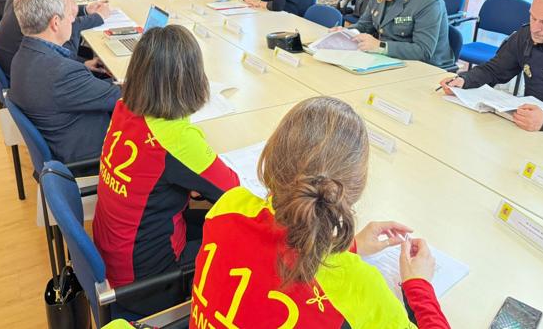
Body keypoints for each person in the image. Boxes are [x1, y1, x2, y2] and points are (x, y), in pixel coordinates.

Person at [189, 97, 450, 328]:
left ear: (271, 155)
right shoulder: (356, 285)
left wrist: (351, 246)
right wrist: (419, 287)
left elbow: (276, 256)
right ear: (355, 187)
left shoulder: (229, 206)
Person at [93, 25, 239, 316]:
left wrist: (189, 179)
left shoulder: (124, 107)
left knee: (208, 216)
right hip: (147, 282)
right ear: (190, 80)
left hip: (111, 254)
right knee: (241, 241)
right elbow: (234, 192)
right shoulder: (175, 140)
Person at [440, 0, 543, 134]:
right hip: (529, 125)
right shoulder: (526, 36)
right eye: (533, 17)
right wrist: (464, 80)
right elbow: (495, 69)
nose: (535, 28)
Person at [8, 0, 120, 164]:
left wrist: (83, 67)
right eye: (70, 14)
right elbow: (118, 97)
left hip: (63, 134)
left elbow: (58, 84)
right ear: (55, 23)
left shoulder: (24, 54)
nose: (73, 19)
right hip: (91, 154)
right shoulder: (61, 73)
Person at [0, 0, 107, 77]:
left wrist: (84, 10)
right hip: (27, 74)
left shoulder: (25, 3)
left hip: (22, 66)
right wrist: (97, 16)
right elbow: (63, 60)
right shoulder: (33, 17)